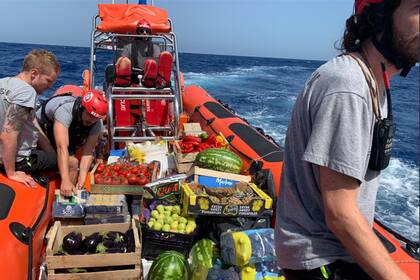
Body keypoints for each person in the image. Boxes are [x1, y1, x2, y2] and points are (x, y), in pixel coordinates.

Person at [275, 0, 418, 279]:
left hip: (339, 257)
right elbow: (340, 215)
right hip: (323, 264)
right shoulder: (348, 85)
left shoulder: (372, 83)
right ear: (379, 16)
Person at [0, 49, 60, 187]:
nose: (50, 86)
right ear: (34, 73)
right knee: (66, 160)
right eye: (48, 80)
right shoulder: (26, 92)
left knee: (52, 156)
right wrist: (12, 173)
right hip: (17, 162)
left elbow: (32, 123)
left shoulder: (3, 83)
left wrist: (50, 151)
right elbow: (8, 135)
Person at [36, 88, 108, 196]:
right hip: (40, 130)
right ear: (83, 107)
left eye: (95, 118)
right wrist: (65, 180)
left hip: (67, 129)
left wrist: (82, 178)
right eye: (90, 115)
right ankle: (64, 190)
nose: (91, 120)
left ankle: (70, 195)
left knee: (74, 163)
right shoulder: (65, 111)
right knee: (72, 163)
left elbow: (88, 152)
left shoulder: (96, 123)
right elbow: (62, 147)